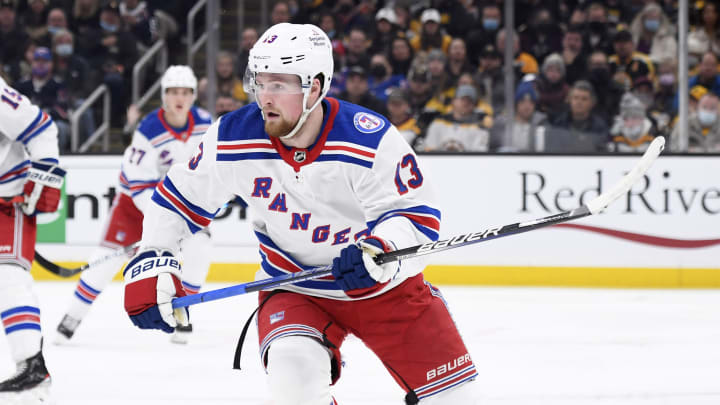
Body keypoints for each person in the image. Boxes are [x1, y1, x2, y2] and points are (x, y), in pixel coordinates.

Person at [121, 23, 478, 405]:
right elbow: (177, 200)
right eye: (259, 82)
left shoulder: (369, 139)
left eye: (279, 84)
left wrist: (382, 250)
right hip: (295, 287)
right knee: (295, 385)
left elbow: (415, 216)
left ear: (316, 86)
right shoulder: (232, 137)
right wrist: (154, 259)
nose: (265, 97)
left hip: (386, 290)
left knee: (455, 399)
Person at [54, 66, 214, 345]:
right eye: (174, 92)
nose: (180, 98)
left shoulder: (204, 123)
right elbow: (140, 187)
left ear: (193, 96)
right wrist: (164, 222)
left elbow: (212, 169)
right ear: (164, 96)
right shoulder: (149, 129)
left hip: (181, 209)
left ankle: (182, 310)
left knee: (200, 248)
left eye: (186, 92)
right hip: (134, 207)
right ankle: (72, 317)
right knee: (104, 263)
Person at [0, 75, 64, 400]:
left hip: (6, 201)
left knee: (7, 276)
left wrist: (44, 180)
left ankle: (32, 367)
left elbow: (40, 128)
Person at [423, 84, 490, 152]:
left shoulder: (479, 128)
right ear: (453, 101)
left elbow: (479, 156)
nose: (466, 103)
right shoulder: (438, 123)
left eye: (470, 100)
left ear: (474, 105)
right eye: (462, 99)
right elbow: (429, 149)